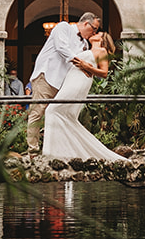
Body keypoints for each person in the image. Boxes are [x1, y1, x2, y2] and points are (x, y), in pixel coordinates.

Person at [42, 32, 124, 162]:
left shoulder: (101, 50)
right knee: (63, 115)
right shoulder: (86, 49)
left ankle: (51, 153)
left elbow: (104, 73)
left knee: (52, 110)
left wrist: (87, 67)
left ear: (102, 39)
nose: (95, 33)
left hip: (79, 82)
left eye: (98, 33)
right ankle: (62, 152)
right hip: (71, 80)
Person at [26, 11, 99, 150]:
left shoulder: (85, 44)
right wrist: (82, 64)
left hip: (64, 85)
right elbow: (61, 48)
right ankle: (33, 150)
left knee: (56, 116)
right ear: (85, 23)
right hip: (46, 77)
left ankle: (53, 149)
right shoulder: (63, 27)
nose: (94, 33)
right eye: (94, 29)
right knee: (37, 113)